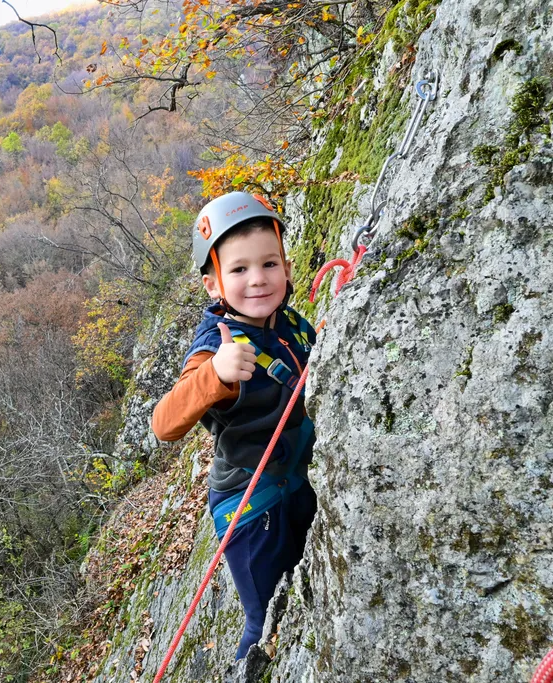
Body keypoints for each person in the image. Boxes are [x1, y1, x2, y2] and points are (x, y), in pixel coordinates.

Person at [151, 191, 318, 660]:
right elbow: (164, 423)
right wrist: (216, 374)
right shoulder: (214, 344)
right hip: (251, 510)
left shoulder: (288, 322)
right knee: (263, 619)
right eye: (239, 270)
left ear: (286, 266)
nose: (258, 280)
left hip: (297, 483)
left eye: (269, 264)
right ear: (213, 284)